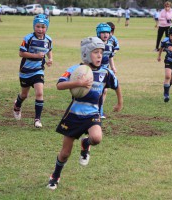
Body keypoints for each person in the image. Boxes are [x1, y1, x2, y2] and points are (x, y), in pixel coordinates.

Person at [47, 36, 123, 190]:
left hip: (93, 113)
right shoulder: (76, 70)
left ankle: (85, 143)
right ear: (86, 54)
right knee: (65, 153)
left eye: (101, 52)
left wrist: (120, 102)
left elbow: (116, 85)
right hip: (74, 115)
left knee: (96, 138)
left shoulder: (105, 72)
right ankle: (55, 175)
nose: (100, 55)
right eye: (96, 52)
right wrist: (78, 83)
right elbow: (59, 85)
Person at [13, 14, 53, 128]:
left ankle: (37, 119)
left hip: (38, 70)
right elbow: (21, 53)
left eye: (43, 27)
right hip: (25, 71)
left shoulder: (48, 39)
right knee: (24, 95)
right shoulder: (28, 38)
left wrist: (50, 59)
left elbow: (49, 49)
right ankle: (17, 105)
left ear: (47, 27)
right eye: (38, 26)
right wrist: (36, 55)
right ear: (34, 26)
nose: (40, 29)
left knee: (39, 93)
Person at [96, 23, 117, 119]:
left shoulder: (110, 45)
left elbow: (110, 57)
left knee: (104, 91)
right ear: (98, 33)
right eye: (103, 33)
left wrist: (113, 67)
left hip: (105, 70)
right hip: (96, 70)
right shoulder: (95, 44)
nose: (105, 35)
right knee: (97, 91)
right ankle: (94, 110)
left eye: (107, 33)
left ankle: (100, 110)